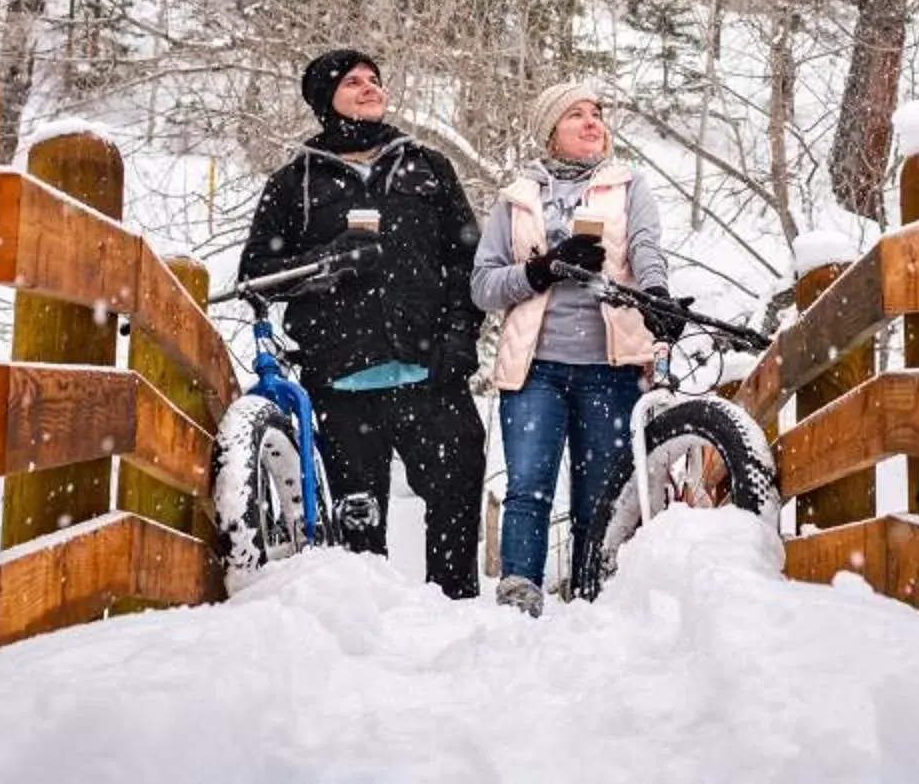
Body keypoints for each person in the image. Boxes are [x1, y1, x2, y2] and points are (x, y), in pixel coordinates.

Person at [242, 48, 486, 599]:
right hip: (342, 383)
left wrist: (459, 336)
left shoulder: (427, 166)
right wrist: (330, 261)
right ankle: (367, 644)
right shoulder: (294, 182)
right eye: (353, 82)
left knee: (456, 503)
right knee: (358, 544)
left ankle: (460, 622)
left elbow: (467, 262)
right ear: (325, 101)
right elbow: (256, 276)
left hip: (433, 375)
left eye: (374, 79)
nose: (369, 87)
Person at [471, 79, 677, 617]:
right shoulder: (517, 200)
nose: (592, 122)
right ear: (551, 133)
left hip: (612, 369)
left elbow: (647, 249)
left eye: (597, 113)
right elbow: (484, 285)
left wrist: (655, 294)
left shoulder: (629, 187)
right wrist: (540, 270)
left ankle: (594, 596)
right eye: (576, 115)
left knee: (601, 498)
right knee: (529, 486)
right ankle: (519, 598)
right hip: (534, 367)